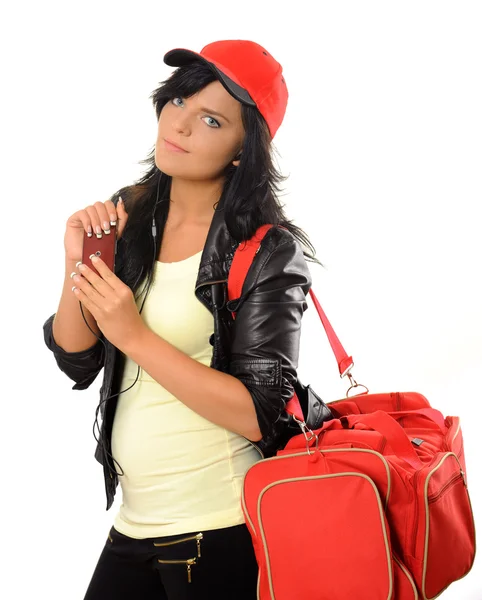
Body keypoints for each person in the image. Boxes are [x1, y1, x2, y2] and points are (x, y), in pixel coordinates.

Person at [42, 39, 322, 600]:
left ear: (246, 151)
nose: (182, 125)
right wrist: (78, 262)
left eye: (212, 119)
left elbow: (259, 413)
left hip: (217, 527)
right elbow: (77, 358)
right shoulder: (133, 210)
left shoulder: (267, 250)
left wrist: (135, 336)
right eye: (179, 102)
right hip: (135, 521)